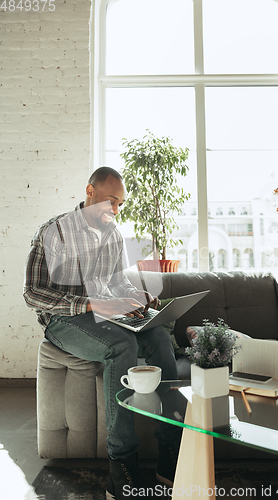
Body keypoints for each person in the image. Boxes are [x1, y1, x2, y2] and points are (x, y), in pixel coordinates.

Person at [23, 167, 181, 500]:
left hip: (103, 313)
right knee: (121, 345)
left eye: (121, 204)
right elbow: (33, 293)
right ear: (90, 192)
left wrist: (139, 298)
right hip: (62, 320)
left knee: (160, 339)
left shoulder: (113, 235)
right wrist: (91, 304)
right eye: (112, 201)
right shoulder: (54, 232)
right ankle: (121, 465)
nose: (116, 210)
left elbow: (116, 284)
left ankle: (171, 446)